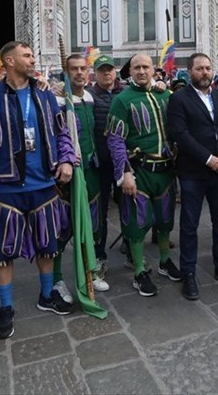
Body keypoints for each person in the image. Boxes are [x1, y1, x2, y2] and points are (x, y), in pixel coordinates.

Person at [0, 41, 77, 340]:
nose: (32, 60)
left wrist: (66, 159)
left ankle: (45, 295)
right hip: (5, 190)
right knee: (2, 253)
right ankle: (6, 307)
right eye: (26, 56)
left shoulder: (45, 97)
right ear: (9, 61)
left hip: (44, 186)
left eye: (32, 55)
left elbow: (62, 132)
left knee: (48, 245)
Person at [168, 53, 218, 300]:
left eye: (208, 68)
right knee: (189, 225)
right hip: (194, 172)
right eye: (199, 68)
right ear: (190, 71)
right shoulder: (179, 99)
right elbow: (180, 134)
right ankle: (188, 272)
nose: (205, 72)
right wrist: (209, 159)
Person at [106, 54, 179, 297]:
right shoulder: (122, 100)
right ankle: (139, 271)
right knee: (137, 223)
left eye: (145, 66)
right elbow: (115, 140)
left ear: (152, 69)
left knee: (166, 220)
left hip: (167, 170)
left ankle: (165, 262)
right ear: (129, 71)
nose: (141, 71)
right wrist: (124, 172)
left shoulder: (164, 95)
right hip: (140, 171)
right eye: (136, 67)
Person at [56, 54, 109, 292]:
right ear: (65, 72)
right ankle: (56, 279)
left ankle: (90, 272)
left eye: (82, 68)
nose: (79, 72)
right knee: (63, 230)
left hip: (92, 172)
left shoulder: (90, 97)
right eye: (73, 69)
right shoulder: (56, 101)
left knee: (92, 226)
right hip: (67, 175)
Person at [87, 55, 122, 272]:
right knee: (99, 212)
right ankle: (99, 253)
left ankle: (131, 246)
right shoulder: (88, 96)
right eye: (102, 70)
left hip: (123, 162)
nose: (106, 73)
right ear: (95, 74)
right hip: (100, 163)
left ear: (115, 72)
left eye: (109, 69)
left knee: (130, 205)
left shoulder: (126, 92)